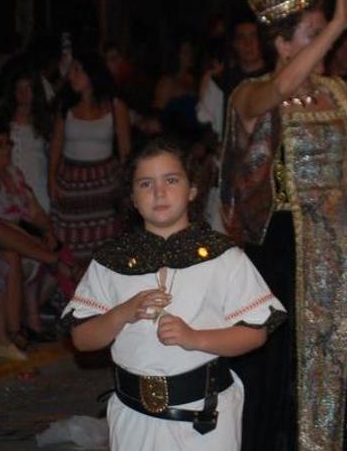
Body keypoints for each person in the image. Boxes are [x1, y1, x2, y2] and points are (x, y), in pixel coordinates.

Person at [221, 0, 347, 451]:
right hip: (286, 256)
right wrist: (338, 24)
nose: (329, 43)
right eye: (314, 34)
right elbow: (276, 91)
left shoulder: (341, 95)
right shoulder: (249, 94)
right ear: (282, 44)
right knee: (284, 374)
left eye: (329, 32)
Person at [63, 137, 285, 451]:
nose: (159, 192)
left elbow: (255, 333)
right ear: (133, 198)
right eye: (145, 184)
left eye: (171, 180)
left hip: (204, 419)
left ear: (192, 189)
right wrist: (122, 312)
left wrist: (194, 338)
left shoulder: (224, 257)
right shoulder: (110, 262)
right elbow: (82, 339)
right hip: (133, 416)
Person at [49, 52, 131, 265]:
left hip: (104, 183)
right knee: (71, 240)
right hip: (72, 181)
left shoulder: (114, 106)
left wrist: (126, 188)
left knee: (104, 240)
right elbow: (56, 145)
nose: (71, 76)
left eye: (77, 70)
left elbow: (125, 152)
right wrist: (52, 178)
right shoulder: (66, 107)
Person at [0, 123, 59, 350]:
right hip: (7, 245)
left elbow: (35, 213)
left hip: (24, 239)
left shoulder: (13, 173)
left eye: (8, 143)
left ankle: (31, 323)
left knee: (48, 256)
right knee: (13, 257)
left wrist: (49, 233)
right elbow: (1, 227)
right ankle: (14, 332)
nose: (6, 149)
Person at [0, 66, 53, 212]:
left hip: (39, 192)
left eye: (28, 88)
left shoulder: (44, 122)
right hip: (11, 194)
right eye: (19, 88)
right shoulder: (3, 121)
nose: (23, 93)